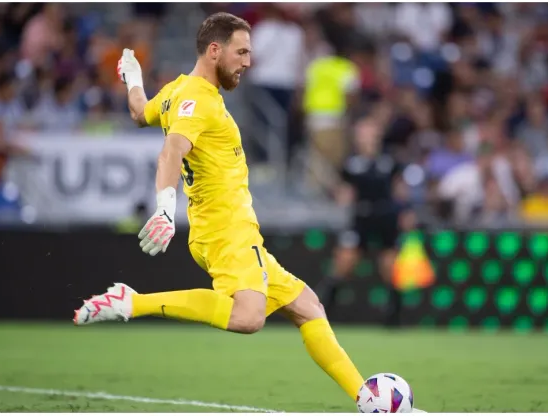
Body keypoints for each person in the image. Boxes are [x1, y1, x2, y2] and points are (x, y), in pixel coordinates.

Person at [72, 13, 428, 411]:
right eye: (241, 52)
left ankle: (367, 399)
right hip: (227, 231)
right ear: (214, 50)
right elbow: (172, 150)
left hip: (232, 233)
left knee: (307, 306)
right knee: (248, 318)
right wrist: (165, 209)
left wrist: (133, 78)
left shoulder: (176, 92)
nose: (247, 61)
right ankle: (131, 302)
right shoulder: (198, 101)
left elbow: (140, 113)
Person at [316, 117, 413, 327]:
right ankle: (322, 313)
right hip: (361, 217)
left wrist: (406, 213)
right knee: (343, 263)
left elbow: (400, 190)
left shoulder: (390, 160)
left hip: (386, 217)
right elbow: (344, 191)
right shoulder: (351, 163)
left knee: (390, 267)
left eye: (370, 133)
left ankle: (394, 319)